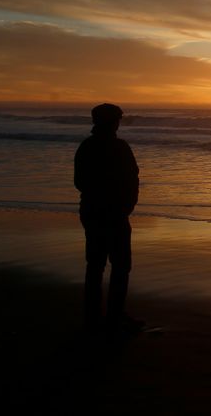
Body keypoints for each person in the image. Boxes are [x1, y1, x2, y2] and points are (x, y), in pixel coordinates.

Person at [74, 102, 141, 333]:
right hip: (113, 213)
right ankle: (114, 315)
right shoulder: (119, 147)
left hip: (92, 211)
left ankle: (94, 316)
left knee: (95, 265)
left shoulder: (86, 147)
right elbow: (133, 178)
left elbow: (79, 182)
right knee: (120, 265)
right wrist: (126, 205)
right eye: (117, 119)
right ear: (113, 122)